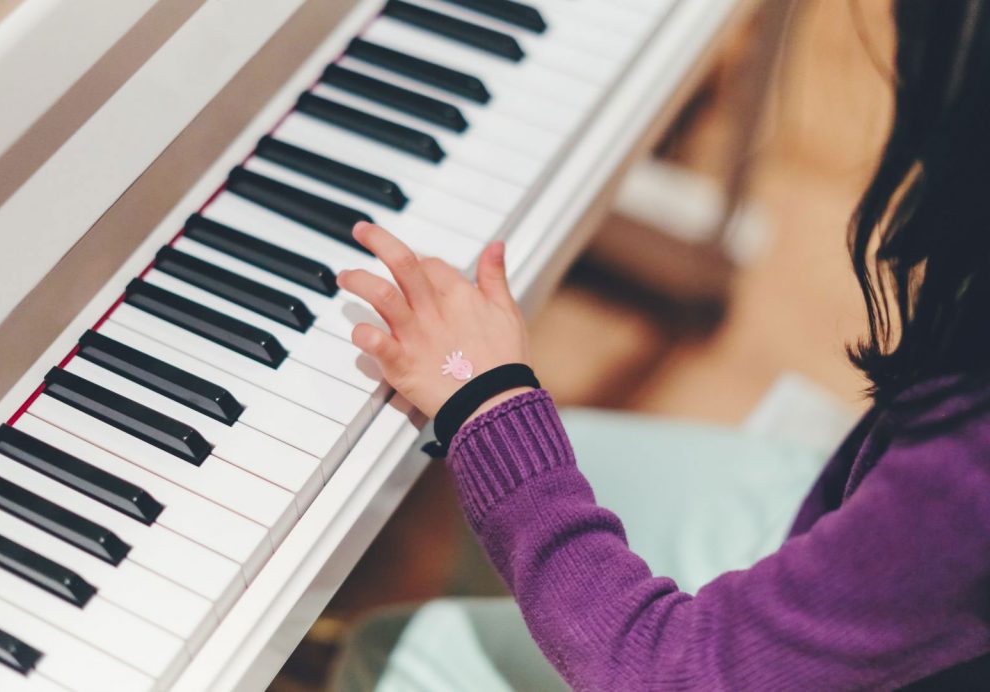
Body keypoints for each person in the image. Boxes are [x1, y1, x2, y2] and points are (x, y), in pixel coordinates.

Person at [328, 1, 990, 688]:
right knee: (552, 463)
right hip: (858, 522)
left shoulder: (971, 463)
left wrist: (485, 398)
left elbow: (663, 670)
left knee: (392, 650)